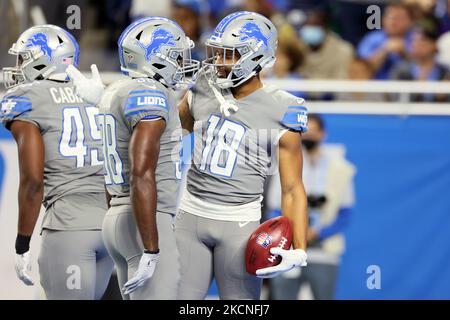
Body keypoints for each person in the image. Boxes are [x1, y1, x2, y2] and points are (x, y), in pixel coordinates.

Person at [176, 11, 309, 300]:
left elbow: (292, 187)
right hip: (189, 215)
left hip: (240, 223)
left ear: (257, 57)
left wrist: (299, 247)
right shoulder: (201, 85)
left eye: (230, 55)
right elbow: (172, 135)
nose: (218, 63)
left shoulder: (282, 108)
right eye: (217, 53)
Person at [67, 17, 199, 299]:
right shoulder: (150, 95)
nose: (182, 62)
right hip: (146, 220)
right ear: (155, 58)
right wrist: (151, 246)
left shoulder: (116, 90)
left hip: (118, 216)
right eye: (176, 56)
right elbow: (141, 173)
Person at [0, 25, 113, 299]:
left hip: (69, 228)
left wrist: (22, 244)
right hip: (112, 230)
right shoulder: (98, 93)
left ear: (42, 59)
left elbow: (33, 182)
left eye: (24, 58)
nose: (18, 67)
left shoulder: (27, 99)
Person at [267, 114, 356, 300]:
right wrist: (295, 231)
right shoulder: (286, 163)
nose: (308, 136)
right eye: (305, 132)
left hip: (324, 252)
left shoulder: (341, 169)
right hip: (288, 250)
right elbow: (274, 208)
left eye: (314, 132)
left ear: (323, 134)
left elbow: (345, 214)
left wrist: (317, 233)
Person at [390, 18, 450, 102]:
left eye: (422, 39)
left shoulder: (445, 72)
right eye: (413, 40)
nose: (416, 44)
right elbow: (395, 100)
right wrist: (417, 90)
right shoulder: (400, 71)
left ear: (434, 44)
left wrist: (442, 97)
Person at [358, 3, 414, 79]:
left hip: (409, 88)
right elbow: (361, 71)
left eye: (399, 18)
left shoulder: (416, 39)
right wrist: (384, 51)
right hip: (375, 88)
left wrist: (405, 53)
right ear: (383, 19)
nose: (393, 22)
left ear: (409, 21)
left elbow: (424, 68)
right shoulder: (372, 39)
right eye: (390, 18)